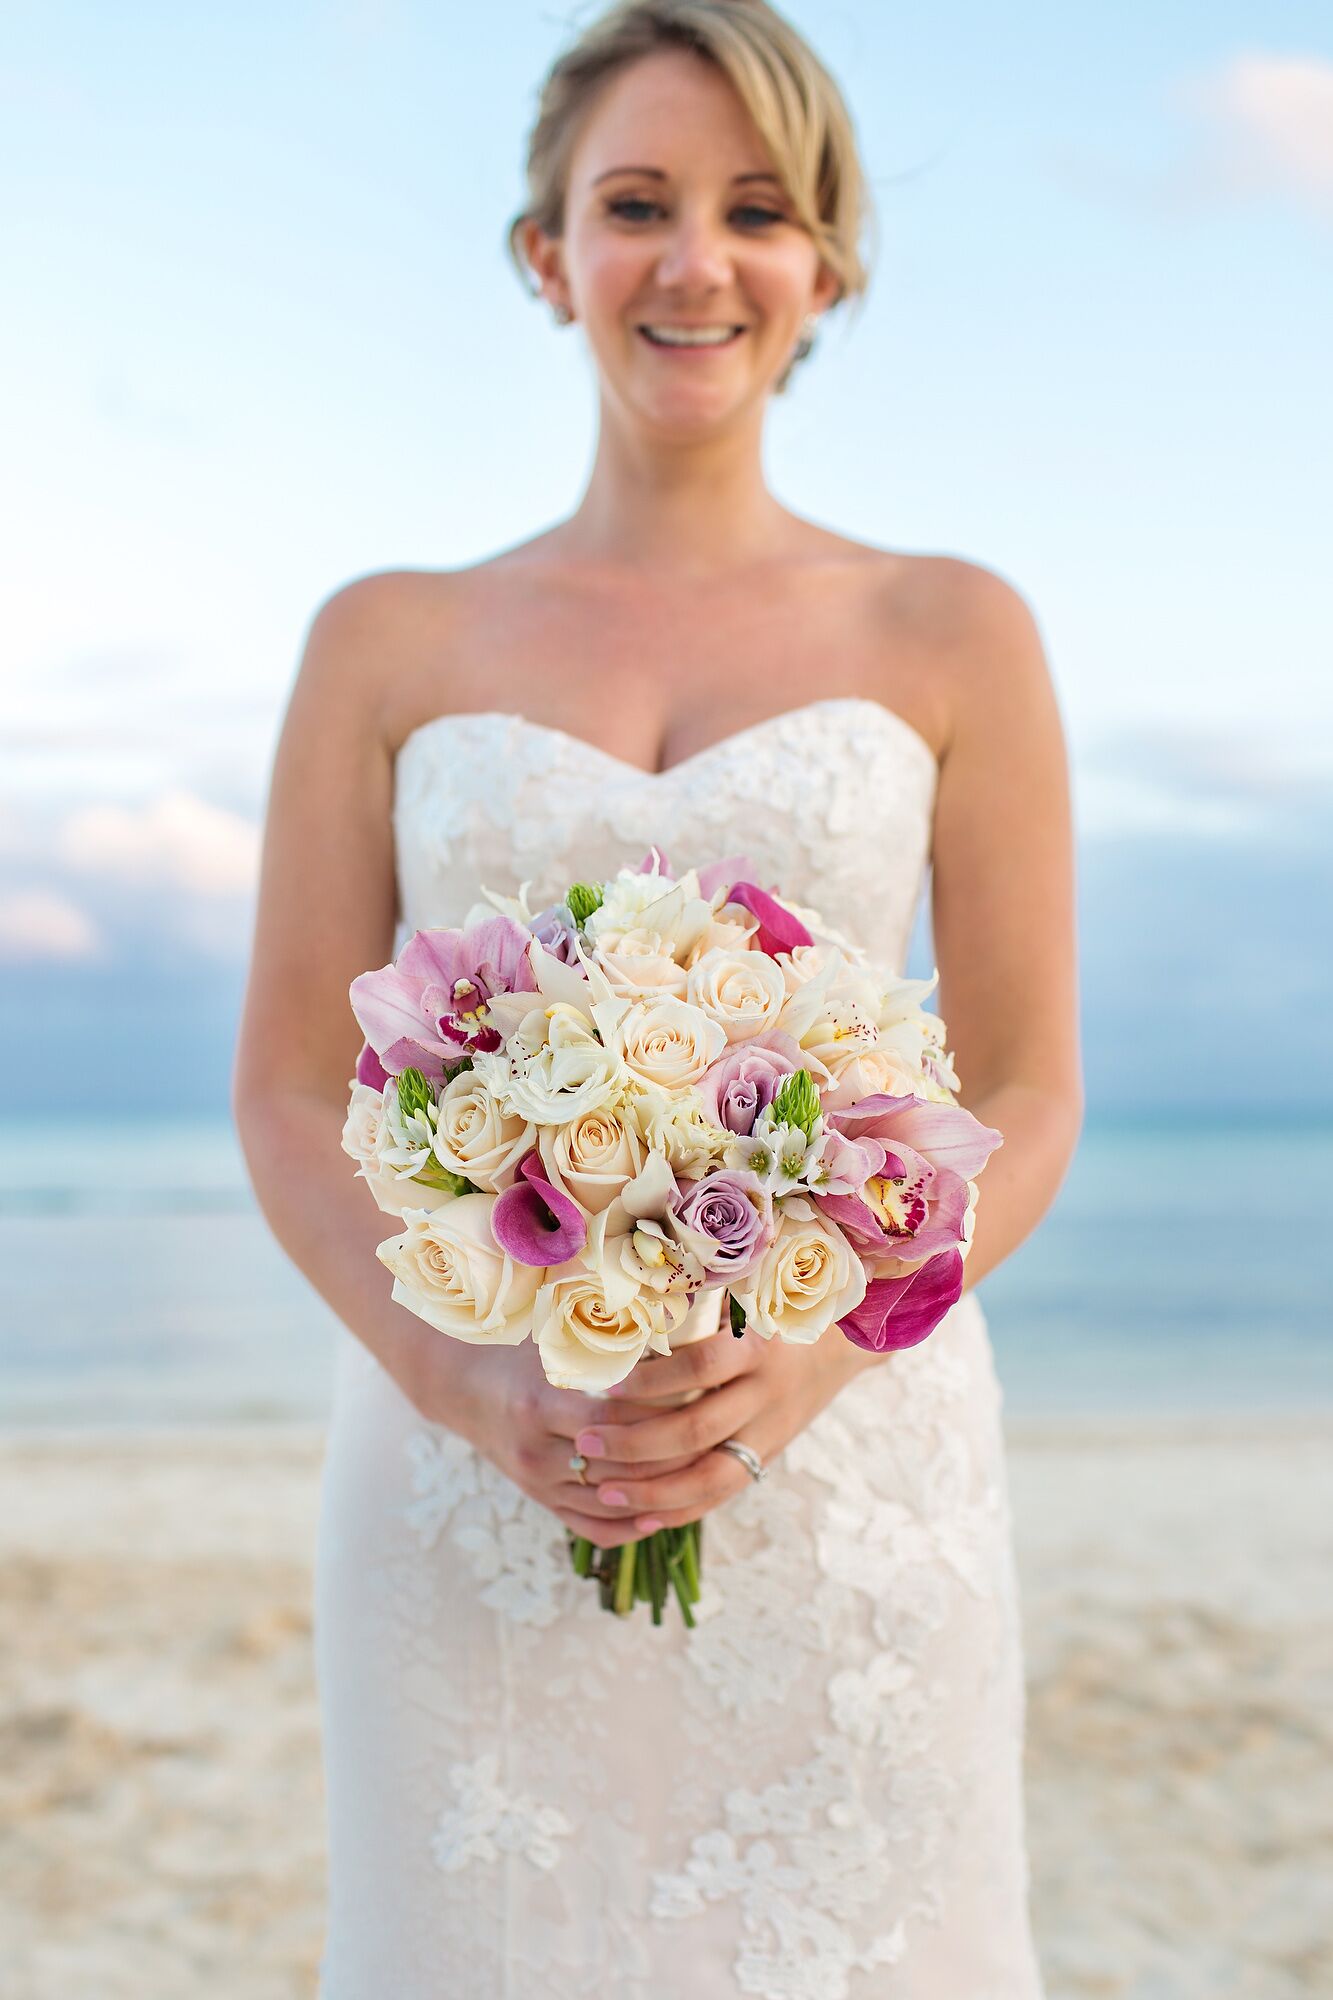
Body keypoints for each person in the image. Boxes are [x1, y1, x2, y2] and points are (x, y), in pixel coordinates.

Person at [233, 2, 1082, 1993]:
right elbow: (289, 1093)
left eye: (756, 210)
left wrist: (824, 1350)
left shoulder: (950, 629)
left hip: (851, 1448)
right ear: (549, 257)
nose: (696, 260)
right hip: (471, 1477)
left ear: (825, 269)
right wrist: (475, 1389)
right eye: (636, 204)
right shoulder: (384, 640)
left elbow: (1026, 1088)